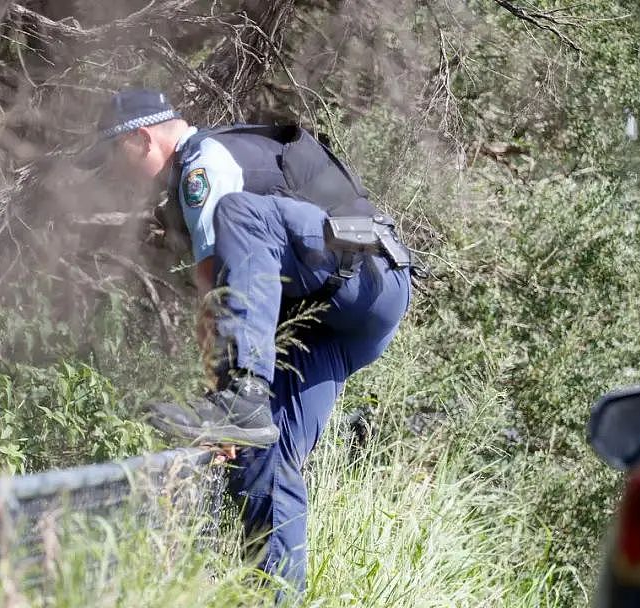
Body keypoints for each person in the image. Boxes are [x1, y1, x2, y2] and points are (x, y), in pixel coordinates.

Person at [79, 88, 413, 593]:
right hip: (343, 315)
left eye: (112, 159)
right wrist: (228, 418)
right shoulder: (198, 168)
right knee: (263, 453)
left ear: (138, 140)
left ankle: (243, 398)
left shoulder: (202, 165)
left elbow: (215, 291)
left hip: (366, 276)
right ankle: (275, 597)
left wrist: (228, 396)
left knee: (242, 214)